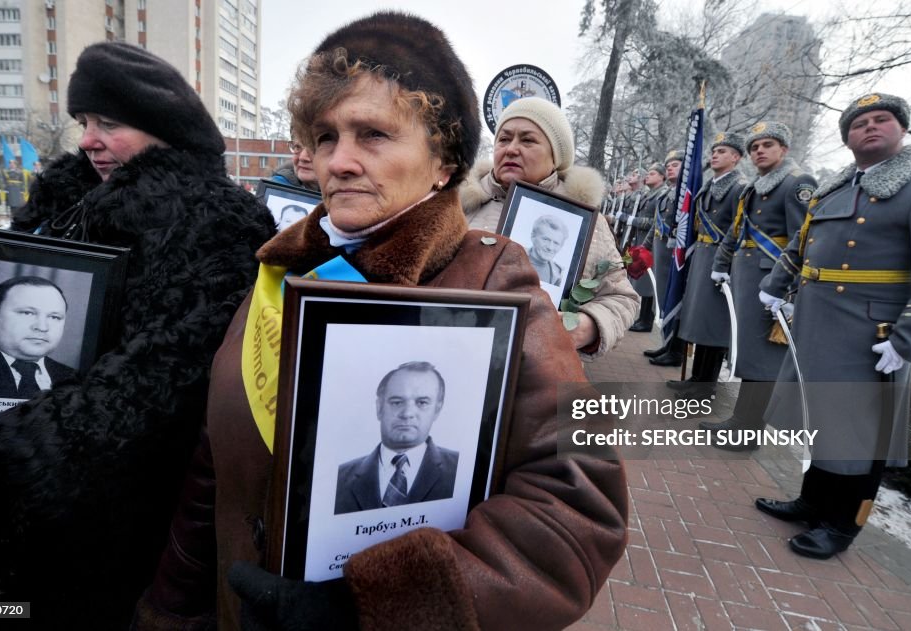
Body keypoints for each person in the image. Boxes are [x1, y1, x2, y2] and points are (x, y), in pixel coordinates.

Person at [136, 12, 628, 631]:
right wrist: (171, 608)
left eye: (372, 134)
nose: (337, 161)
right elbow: (217, 463)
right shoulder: (281, 270)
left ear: (444, 160)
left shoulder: (494, 278)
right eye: (324, 136)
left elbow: (578, 504)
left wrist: (380, 606)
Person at [0, 41, 275, 628]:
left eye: (110, 123)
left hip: (105, 509)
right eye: (83, 123)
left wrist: (37, 441)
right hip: (1, 481)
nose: (89, 139)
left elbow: (174, 368)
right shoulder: (65, 202)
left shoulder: (221, 219)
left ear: (164, 130)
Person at [756, 94, 911, 559]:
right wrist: (777, 283)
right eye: (859, 123)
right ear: (847, 137)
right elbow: (801, 242)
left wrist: (908, 340)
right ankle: (812, 500)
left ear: (902, 129)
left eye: (882, 119)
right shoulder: (837, 187)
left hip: (871, 335)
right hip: (818, 324)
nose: (870, 127)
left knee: (859, 431)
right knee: (823, 421)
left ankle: (841, 524)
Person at [461, 96, 639, 359]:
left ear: (556, 156)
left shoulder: (583, 220)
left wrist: (585, 328)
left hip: (539, 370)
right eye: (504, 138)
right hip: (459, 355)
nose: (511, 149)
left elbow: (623, 299)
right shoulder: (456, 204)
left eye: (528, 140)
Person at [703, 122, 816, 449]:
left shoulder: (797, 183)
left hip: (772, 283)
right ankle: (740, 420)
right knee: (749, 356)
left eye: (768, 144)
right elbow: (739, 232)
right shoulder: (757, 185)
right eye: (755, 147)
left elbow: (804, 240)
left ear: (784, 149)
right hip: (748, 278)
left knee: (763, 360)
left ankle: (749, 432)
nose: (760, 151)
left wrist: (789, 291)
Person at [669, 132, 748, 398]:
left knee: (714, 324)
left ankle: (707, 386)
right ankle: (696, 377)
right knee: (700, 320)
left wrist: (723, 264)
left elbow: (738, 229)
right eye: (714, 150)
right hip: (702, 255)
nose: (715, 154)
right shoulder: (709, 185)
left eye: (723, 151)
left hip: (720, 260)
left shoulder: (739, 187)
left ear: (736, 157)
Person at [335, 362, 458, 515]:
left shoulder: (460, 470)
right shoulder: (339, 478)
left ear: (437, 409)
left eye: (422, 403)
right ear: (379, 408)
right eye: (397, 402)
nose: (407, 413)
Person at [642, 150, 685, 366]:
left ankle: (675, 351)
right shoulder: (667, 193)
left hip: (674, 257)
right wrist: (645, 246)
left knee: (674, 302)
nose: (669, 168)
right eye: (668, 165)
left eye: (675, 165)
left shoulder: (687, 193)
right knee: (665, 301)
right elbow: (657, 224)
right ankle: (666, 344)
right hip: (661, 253)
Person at [627, 163, 667, 333]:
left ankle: (646, 320)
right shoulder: (651, 194)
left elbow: (654, 222)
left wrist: (633, 221)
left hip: (651, 243)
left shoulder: (661, 195)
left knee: (648, 284)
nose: (647, 176)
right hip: (642, 240)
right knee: (642, 281)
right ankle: (641, 317)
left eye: (652, 173)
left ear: (661, 177)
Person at [527, 214, 568, 285]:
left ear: (561, 246)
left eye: (556, 243)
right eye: (546, 239)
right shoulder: (514, 258)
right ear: (533, 237)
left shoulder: (559, 274)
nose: (550, 247)